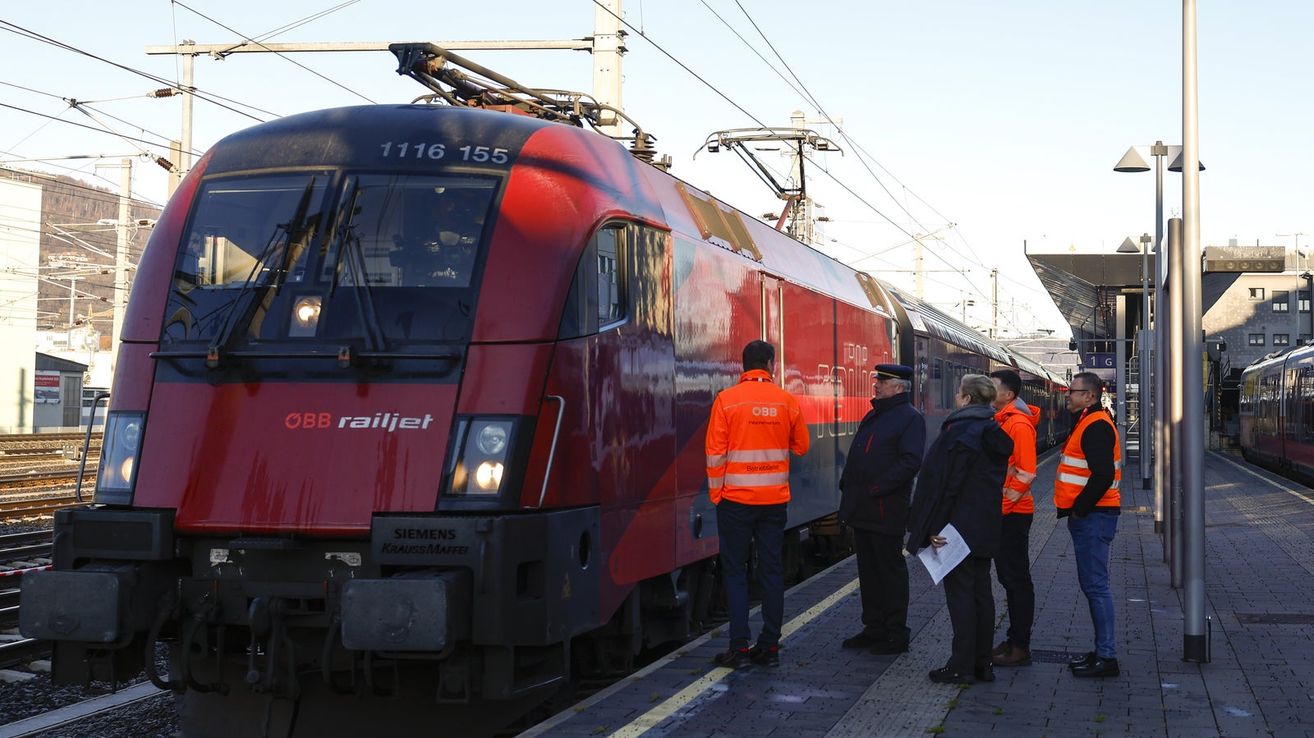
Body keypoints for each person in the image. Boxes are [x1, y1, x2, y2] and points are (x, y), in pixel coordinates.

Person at [706, 340, 810, 668]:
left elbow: (714, 453)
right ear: (770, 365)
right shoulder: (786, 401)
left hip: (735, 501)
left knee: (736, 572)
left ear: (743, 366)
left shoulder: (726, 401)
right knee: (771, 571)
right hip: (773, 502)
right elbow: (802, 446)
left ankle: (739, 649)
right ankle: (770, 647)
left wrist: (716, 494)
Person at [907, 374, 1013, 684]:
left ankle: (961, 665)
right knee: (982, 593)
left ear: (966, 398)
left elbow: (944, 486)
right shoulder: (991, 430)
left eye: (958, 393)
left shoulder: (960, 433)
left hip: (956, 529)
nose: (956, 398)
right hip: (985, 524)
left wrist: (932, 527)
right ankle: (982, 664)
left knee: (961, 597)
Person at [838, 363, 926, 655]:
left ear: (899, 387)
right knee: (869, 572)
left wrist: (876, 488)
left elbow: (910, 462)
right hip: (862, 508)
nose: (876, 385)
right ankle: (874, 628)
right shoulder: (876, 415)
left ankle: (896, 633)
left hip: (886, 509)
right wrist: (848, 485)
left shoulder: (910, 419)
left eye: (883, 381)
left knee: (889, 572)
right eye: (878, 380)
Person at [1057, 371, 1122, 678]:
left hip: (1094, 516)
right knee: (1094, 586)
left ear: (1090, 396)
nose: (1067, 394)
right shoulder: (1089, 420)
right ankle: (1101, 651)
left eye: (1073, 391)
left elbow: (1103, 474)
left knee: (1096, 587)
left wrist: (1079, 510)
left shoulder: (1095, 425)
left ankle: (1107, 657)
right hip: (1094, 516)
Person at [988, 369, 1039, 668]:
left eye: (993, 386)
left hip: (1013, 514)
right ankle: (1014, 639)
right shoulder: (1004, 421)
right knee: (1010, 579)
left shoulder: (1017, 425)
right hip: (1008, 512)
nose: (988, 389)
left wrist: (1002, 508)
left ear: (1009, 394)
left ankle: (1020, 646)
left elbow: (1025, 473)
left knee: (1017, 580)